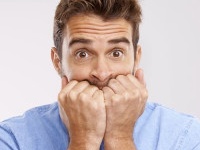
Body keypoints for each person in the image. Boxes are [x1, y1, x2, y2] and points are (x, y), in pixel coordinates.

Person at [0, 0, 200, 149]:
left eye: (116, 53)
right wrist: (83, 141)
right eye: (83, 54)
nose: (102, 73)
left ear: (136, 57)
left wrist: (120, 138)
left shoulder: (188, 137)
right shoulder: (11, 139)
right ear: (57, 61)